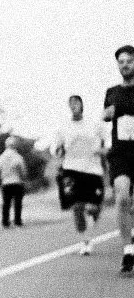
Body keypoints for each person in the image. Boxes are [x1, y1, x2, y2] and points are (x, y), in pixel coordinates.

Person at [53, 95, 105, 254]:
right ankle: (85, 242)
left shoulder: (94, 125)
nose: (74, 106)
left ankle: (93, 216)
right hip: (71, 169)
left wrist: (104, 153)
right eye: (71, 104)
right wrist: (59, 151)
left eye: (77, 103)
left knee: (94, 207)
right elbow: (57, 149)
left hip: (92, 169)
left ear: (82, 105)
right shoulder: (63, 127)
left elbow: (106, 143)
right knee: (77, 206)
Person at [103, 45, 134, 276]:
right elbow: (105, 115)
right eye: (121, 61)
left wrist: (121, 109)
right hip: (120, 153)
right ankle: (128, 250)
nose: (125, 65)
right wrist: (109, 112)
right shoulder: (112, 91)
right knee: (122, 197)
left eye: (129, 61)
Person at [0, 135, 27, 227]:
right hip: (16, 180)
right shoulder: (17, 156)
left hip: (5, 182)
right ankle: (17, 221)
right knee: (17, 202)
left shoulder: (1, 157)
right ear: (15, 145)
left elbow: (0, 169)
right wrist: (23, 178)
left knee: (6, 203)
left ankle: (5, 221)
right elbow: (22, 169)